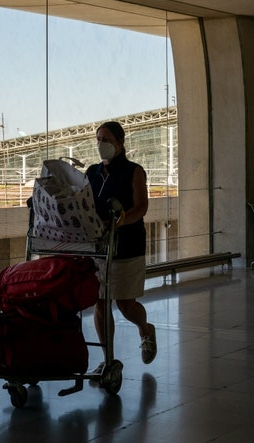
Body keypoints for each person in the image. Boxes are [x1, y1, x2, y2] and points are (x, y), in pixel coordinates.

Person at [85, 121, 156, 373]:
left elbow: (141, 207)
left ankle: (145, 329)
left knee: (126, 304)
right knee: (101, 303)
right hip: (98, 247)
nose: (101, 144)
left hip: (127, 244)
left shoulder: (133, 171)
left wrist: (120, 220)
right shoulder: (92, 173)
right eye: (98, 139)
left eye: (106, 139)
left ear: (120, 143)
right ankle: (108, 359)